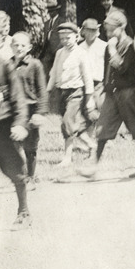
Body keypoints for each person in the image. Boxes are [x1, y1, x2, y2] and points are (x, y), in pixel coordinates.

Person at [79, 10, 135, 178]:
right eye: (107, 30)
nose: (108, 33)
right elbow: (107, 71)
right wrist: (105, 87)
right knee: (102, 128)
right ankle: (93, 167)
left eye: (112, 30)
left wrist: (112, 49)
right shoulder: (109, 46)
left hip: (128, 93)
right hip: (112, 93)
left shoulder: (130, 45)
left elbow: (123, 68)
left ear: (122, 27)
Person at [0, 16, 31, 225]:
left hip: (1, 126)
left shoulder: (4, 65)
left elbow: (19, 99)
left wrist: (19, 123)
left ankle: (23, 211)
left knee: (14, 169)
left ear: (1, 41)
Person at [48, 21, 98, 168]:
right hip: (61, 91)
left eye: (68, 38)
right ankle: (92, 145)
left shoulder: (81, 53)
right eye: (62, 38)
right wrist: (48, 90)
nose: (65, 41)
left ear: (76, 36)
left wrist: (89, 98)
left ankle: (67, 158)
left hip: (76, 92)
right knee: (72, 125)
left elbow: (87, 77)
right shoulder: (59, 53)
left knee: (67, 122)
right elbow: (54, 72)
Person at [10, 32, 48, 183]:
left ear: (29, 47)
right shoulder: (8, 65)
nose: (19, 48)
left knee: (30, 146)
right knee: (14, 144)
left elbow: (42, 90)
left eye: (22, 45)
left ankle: (31, 176)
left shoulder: (35, 65)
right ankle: (21, 176)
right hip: (14, 111)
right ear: (11, 46)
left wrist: (40, 112)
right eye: (16, 45)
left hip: (30, 110)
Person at [78, 18, 106, 109]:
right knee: (85, 111)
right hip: (83, 86)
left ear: (97, 31)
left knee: (100, 109)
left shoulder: (104, 46)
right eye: (88, 30)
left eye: (93, 30)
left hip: (99, 86)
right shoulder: (79, 47)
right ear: (83, 31)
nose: (91, 33)